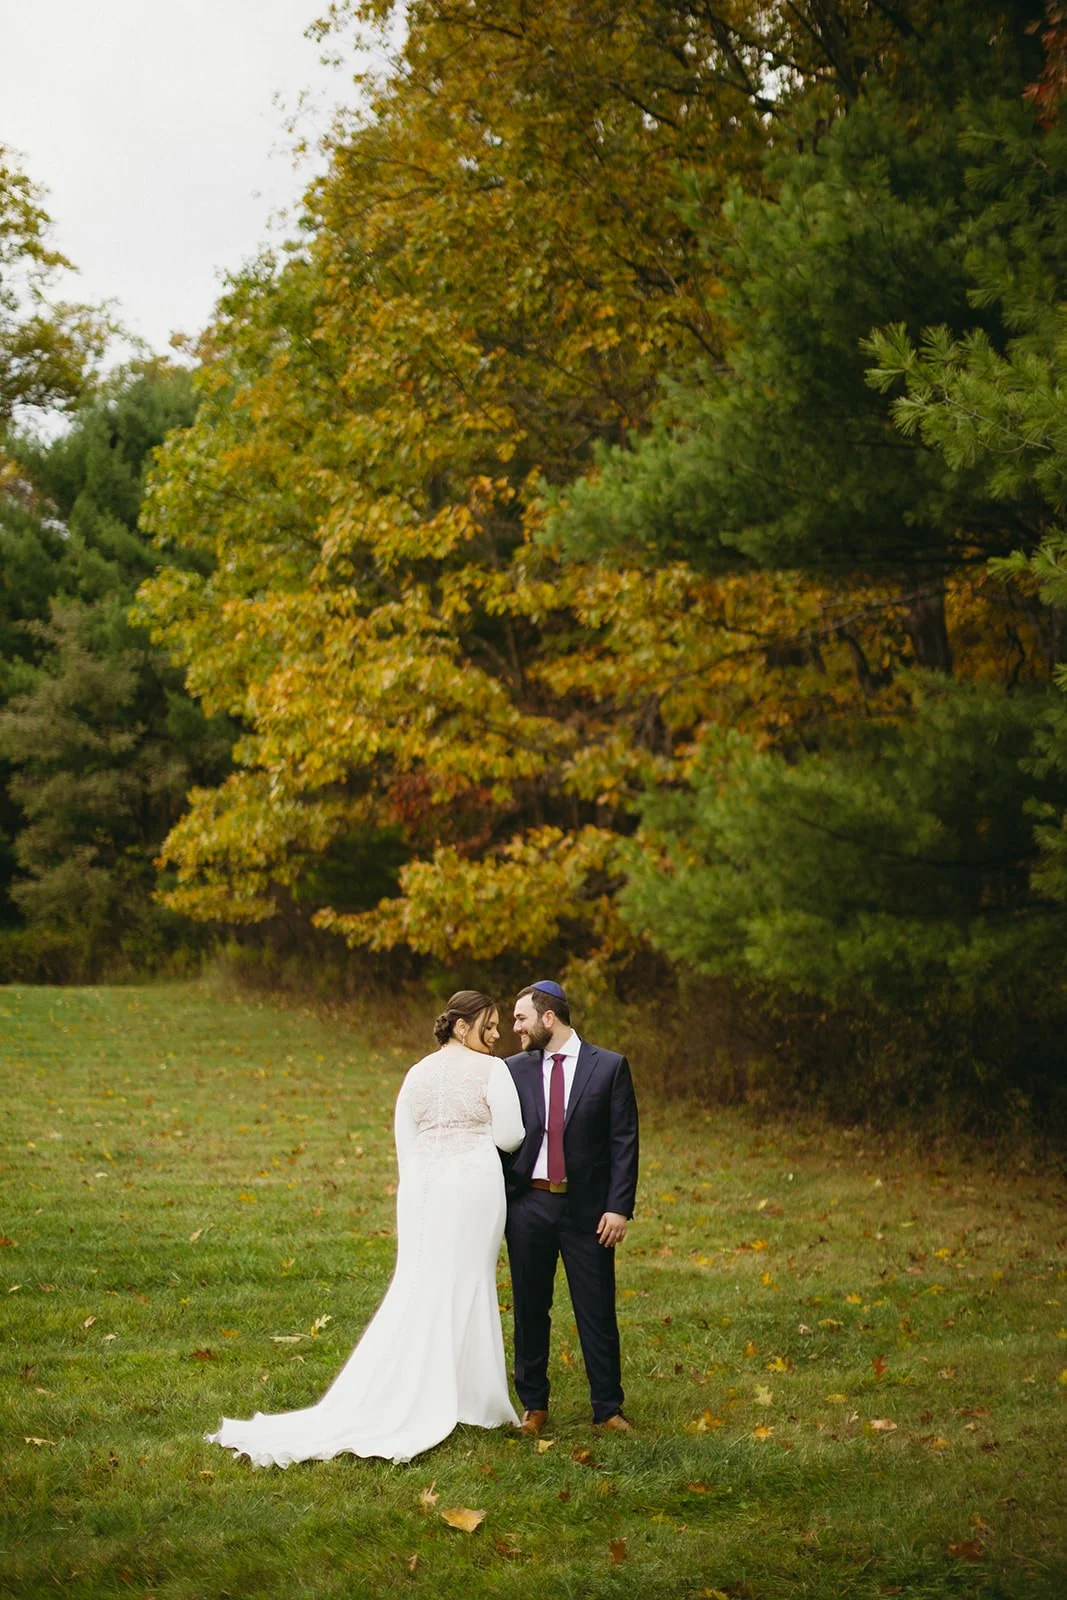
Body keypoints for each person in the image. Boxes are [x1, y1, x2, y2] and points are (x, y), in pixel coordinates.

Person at [206, 991, 524, 1466]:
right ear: (462, 1027)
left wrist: (422, 1187)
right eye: (490, 1025)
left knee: (422, 1284)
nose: (497, 1035)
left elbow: (405, 1146)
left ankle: (428, 1388)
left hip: (423, 1194)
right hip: (476, 1189)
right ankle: (475, 1400)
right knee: (471, 1281)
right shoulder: (493, 1072)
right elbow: (509, 1136)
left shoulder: (415, 1075)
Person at [502, 980, 639, 1435]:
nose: (514, 1027)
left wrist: (618, 1207)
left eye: (521, 1018)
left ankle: (607, 1408)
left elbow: (624, 1141)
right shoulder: (512, 1070)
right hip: (529, 1207)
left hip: (588, 1213)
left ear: (548, 1018)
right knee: (529, 1308)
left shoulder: (610, 1067)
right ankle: (534, 1404)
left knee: (596, 1309)